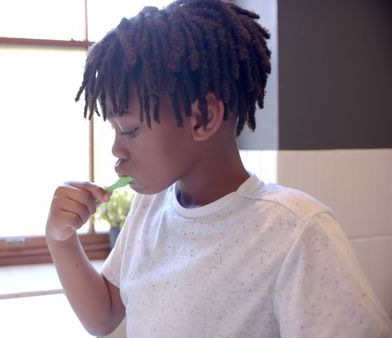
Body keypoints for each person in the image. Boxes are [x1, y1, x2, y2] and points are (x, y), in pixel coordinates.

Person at [44, 0, 392, 337]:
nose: (116, 149)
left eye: (131, 130)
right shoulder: (150, 207)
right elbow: (104, 315)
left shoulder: (296, 231)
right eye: (116, 130)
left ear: (203, 117)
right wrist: (60, 240)